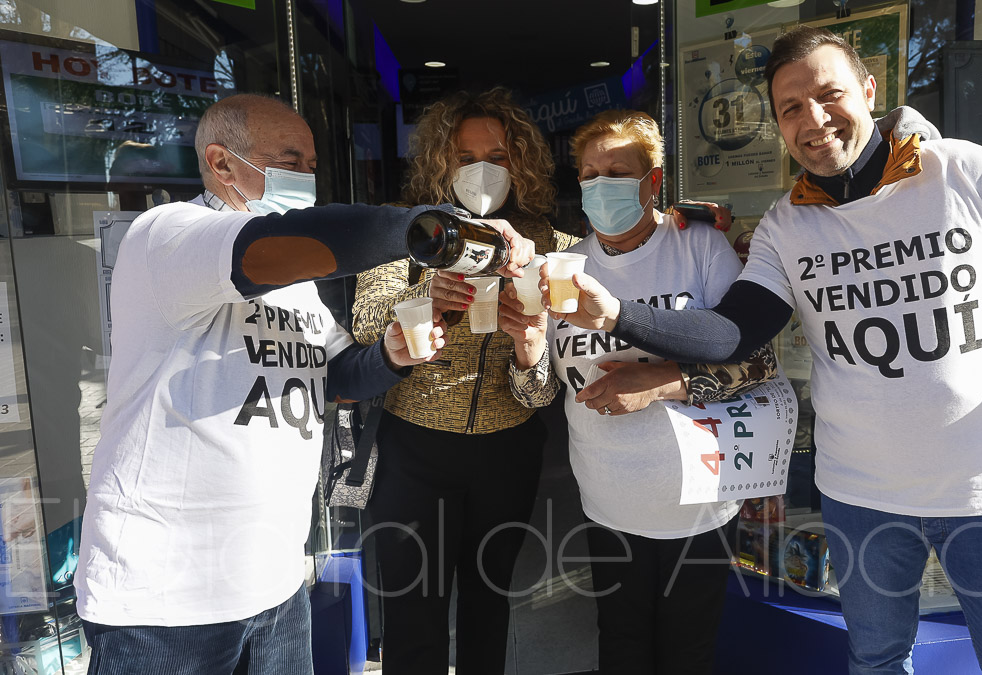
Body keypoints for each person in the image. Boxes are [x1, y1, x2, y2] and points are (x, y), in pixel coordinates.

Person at [545, 27, 982, 675]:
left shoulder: (973, 175)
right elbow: (731, 334)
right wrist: (616, 313)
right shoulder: (786, 225)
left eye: (828, 95)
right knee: (877, 663)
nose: (813, 119)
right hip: (862, 503)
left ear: (868, 88)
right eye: (791, 108)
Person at [74, 93, 532, 675]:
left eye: (312, 167)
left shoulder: (295, 284)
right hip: (167, 596)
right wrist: (440, 231)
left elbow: (335, 376)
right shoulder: (170, 235)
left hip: (274, 582)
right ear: (220, 163)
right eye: (289, 162)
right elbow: (295, 242)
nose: (305, 181)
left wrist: (391, 356)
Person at [501, 109, 777, 674]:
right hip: (608, 501)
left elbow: (758, 363)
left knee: (688, 651)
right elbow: (536, 397)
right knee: (620, 645)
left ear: (652, 181)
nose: (600, 185)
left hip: (698, 501)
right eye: (588, 173)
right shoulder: (562, 268)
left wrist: (660, 384)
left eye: (617, 172)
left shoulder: (698, 247)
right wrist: (529, 346)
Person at [351, 87, 572, 674]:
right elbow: (365, 325)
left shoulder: (553, 247)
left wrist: (530, 353)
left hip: (508, 449)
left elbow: (548, 389)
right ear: (438, 163)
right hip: (414, 448)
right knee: (412, 608)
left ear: (519, 163)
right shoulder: (402, 235)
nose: (481, 171)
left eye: (497, 157)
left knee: (489, 601)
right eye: (464, 156)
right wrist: (430, 293)